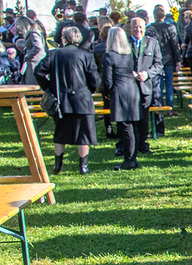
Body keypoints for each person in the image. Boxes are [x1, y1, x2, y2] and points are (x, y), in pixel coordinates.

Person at [34, 26, 100, 175]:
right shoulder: (86, 55)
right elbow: (95, 80)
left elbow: (38, 71)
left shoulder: (54, 54)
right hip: (82, 99)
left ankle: (58, 165)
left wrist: (48, 88)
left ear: (63, 39)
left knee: (60, 133)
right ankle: (83, 167)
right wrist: (89, 90)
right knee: (83, 134)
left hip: (61, 99)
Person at [102, 27, 144, 171]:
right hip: (132, 90)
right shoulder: (129, 54)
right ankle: (133, 158)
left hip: (120, 91)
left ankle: (129, 160)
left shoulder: (109, 56)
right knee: (133, 126)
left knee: (125, 127)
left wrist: (109, 92)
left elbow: (107, 80)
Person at [127, 17, 164, 155]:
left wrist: (147, 74)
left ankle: (142, 142)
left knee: (143, 116)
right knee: (129, 116)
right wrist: (129, 72)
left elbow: (158, 65)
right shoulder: (125, 42)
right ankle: (129, 143)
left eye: (140, 27)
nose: (138, 30)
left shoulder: (152, 43)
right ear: (131, 28)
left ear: (144, 28)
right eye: (135, 27)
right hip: (129, 86)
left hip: (145, 85)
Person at [147, 5, 181, 111]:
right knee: (169, 84)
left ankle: (159, 105)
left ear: (154, 15)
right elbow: (175, 44)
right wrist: (178, 60)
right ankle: (170, 107)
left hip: (156, 59)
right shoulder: (170, 27)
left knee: (158, 84)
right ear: (164, 15)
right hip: (169, 59)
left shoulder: (150, 28)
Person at [15, 17, 46, 86]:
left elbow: (38, 46)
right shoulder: (31, 32)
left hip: (34, 61)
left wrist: (29, 56)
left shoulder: (33, 33)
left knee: (33, 84)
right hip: (32, 60)